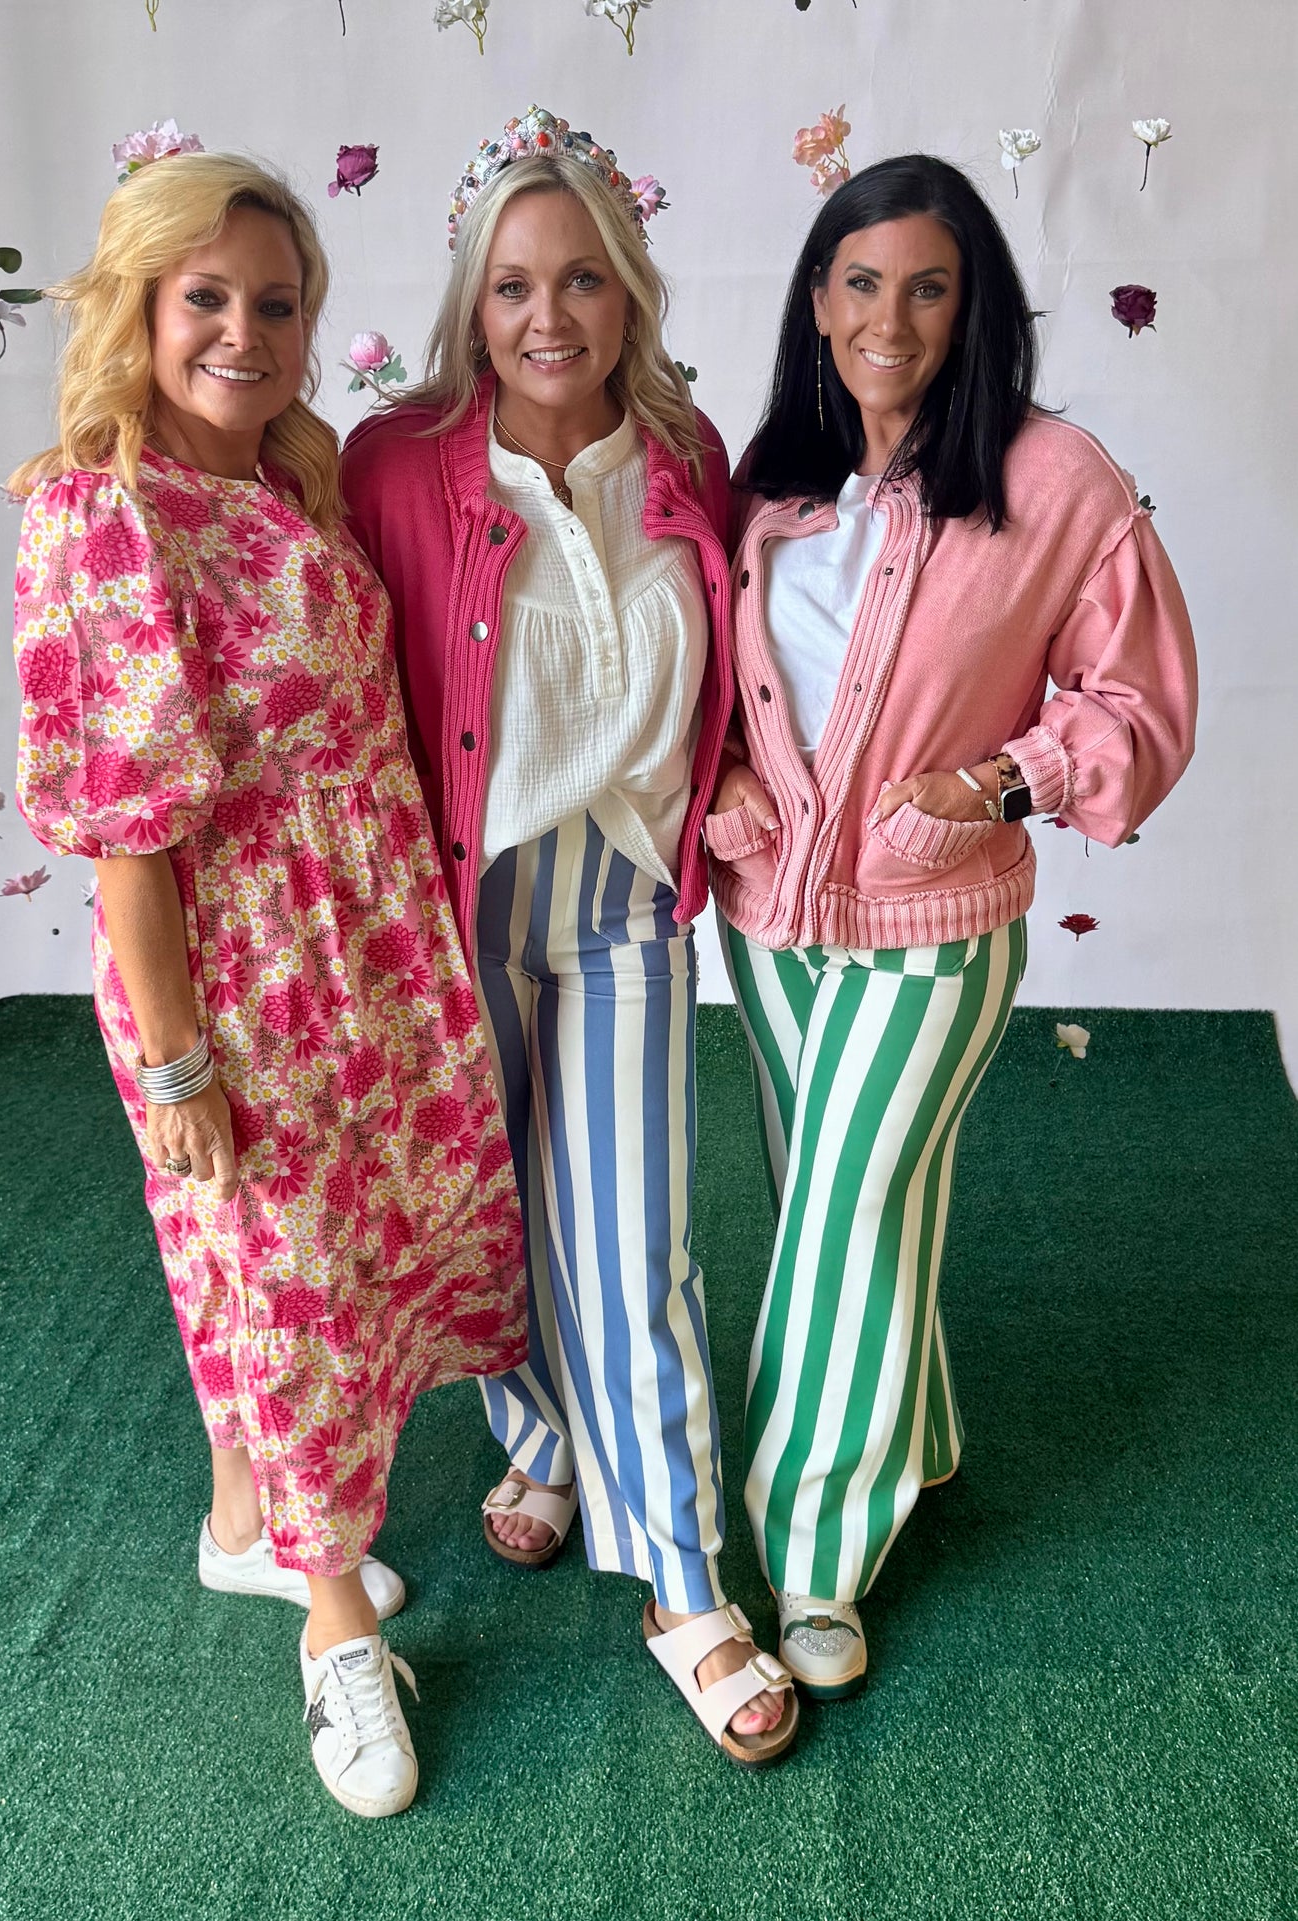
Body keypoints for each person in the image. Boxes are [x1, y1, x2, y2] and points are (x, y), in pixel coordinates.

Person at [9, 152, 526, 1818]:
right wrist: (177, 1067)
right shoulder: (105, 508)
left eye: (275, 301)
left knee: (299, 1265)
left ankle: (244, 1523)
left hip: (359, 939)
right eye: (205, 299)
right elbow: (125, 836)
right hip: (236, 972)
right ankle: (328, 1632)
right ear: (144, 311)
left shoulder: (292, 475)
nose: (243, 330)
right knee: (288, 1284)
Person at [709, 154, 1197, 1699]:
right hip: (767, 918)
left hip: (931, 920)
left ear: (971, 303)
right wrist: (721, 776)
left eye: (927, 285)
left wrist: (996, 780)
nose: (889, 317)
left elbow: (1142, 704)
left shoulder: (1055, 481)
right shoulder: (769, 478)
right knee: (843, 1195)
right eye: (860, 282)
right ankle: (910, 1434)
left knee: (842, 1211)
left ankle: (809, 1557)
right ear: (815, 299)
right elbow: (719, 678)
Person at [341, 107, 796, 1766]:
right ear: (474, 301)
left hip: (621, 910)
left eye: (584, 279)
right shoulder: (395, 462)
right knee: (495, 1219)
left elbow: (741, 659)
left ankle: (683, 1581)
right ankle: (536, 1441)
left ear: (629, 290)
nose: (551, 317)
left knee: (633, 1245)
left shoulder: (682, 451)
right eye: (516, 284)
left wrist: (742, 770)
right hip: (466, 904)